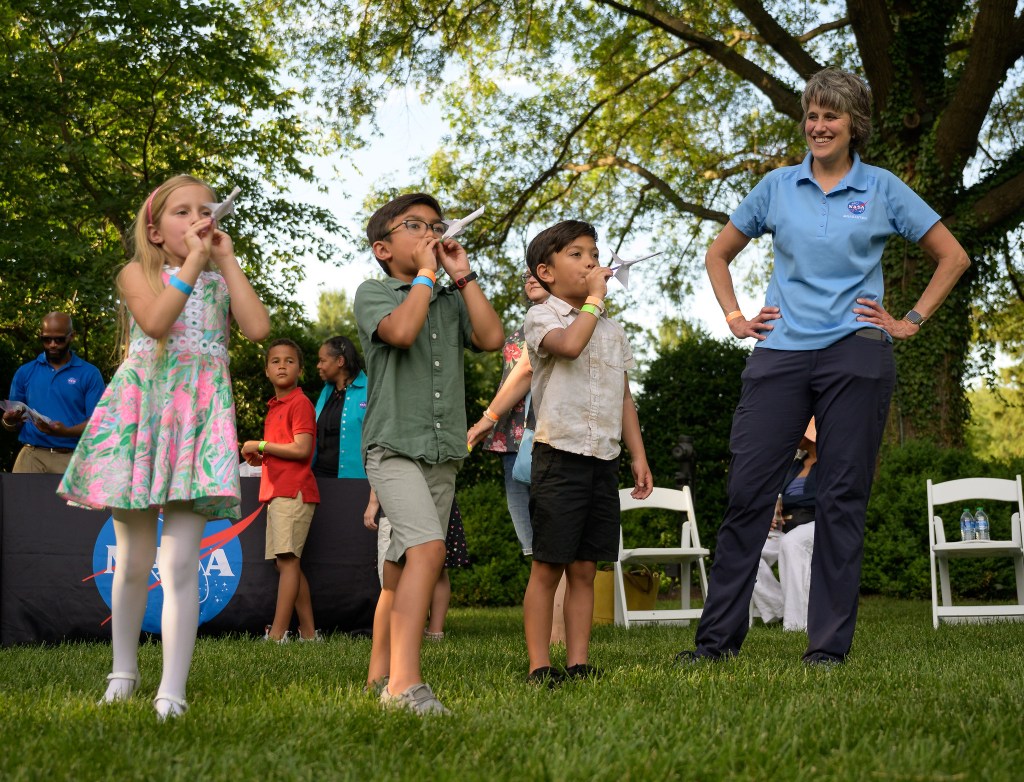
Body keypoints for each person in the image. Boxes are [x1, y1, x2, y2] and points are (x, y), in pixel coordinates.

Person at [678, 67, 970, 667]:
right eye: (811, 115)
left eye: (830, 115)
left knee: (841, 498)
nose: (818, 125)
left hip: (857, 353)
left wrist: (909, 319)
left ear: (853, 124)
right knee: (748, 492)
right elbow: (719, 252)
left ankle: (827, 649)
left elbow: (952, 255)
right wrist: (734, 315)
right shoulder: (777, 187)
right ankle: (715, 645)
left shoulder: (882, 188)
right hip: (780, 350)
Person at [57, 175, 270, 718]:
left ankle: (171, 690)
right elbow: (154, 323)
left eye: (206, 209)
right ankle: (122, 674)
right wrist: (195, 264)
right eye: (182, 212)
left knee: (179, 565)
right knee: (131, 561)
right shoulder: (137, 272)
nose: (198, 218)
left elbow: (257, 328)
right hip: (144, 419)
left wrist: (225, 261)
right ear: (154, 230)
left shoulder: (220, 278)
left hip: (197, 423)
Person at [354, 192, 503, 714]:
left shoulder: (448, 297)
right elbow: (401, 331)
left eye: (436, 226)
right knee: (427, 552)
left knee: (400, 570)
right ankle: (403, 686)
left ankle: (378, 670)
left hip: (441, 450)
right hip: (393, 446)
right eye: (414, 226)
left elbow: (490, 337)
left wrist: (460, 276)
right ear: (382, 247)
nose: (430, 233)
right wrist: (424, 276)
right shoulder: (375, 292)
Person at [521, 220, 653, 685]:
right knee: (549, 564)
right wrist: (595, 299)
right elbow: (571, 347)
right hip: (559, 454)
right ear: (547, 271)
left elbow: (623, 397)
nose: (591, 262)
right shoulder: (543, 317)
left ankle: (578, 663)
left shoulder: (613, 331)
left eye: (593, 253)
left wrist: (637, 455)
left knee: (584, 567)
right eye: (577, 254)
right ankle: (540, 665)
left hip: (603, 456)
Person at [241, 338, 321, 643]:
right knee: (283, 563)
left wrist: (260, 445)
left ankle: (277, 634)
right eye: (275, 361)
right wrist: (263, 456)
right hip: (278, 491)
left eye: (289, 360)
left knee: (288, 562)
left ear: (300, 369)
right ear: (266, 371)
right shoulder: (274, 407)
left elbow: (302, 450)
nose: (282, 365)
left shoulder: (300, 403)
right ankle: (309, 634)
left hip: (294, 492)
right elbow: (285, 449)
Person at [467, 270, 549, 555]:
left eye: (540, 271)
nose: (531, 278)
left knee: (555, 536)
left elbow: (526, 371)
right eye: (526, 274)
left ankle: (557, 597)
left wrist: (484, 421)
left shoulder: (567, 320)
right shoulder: (527, 324)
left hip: (547, 433)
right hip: (512, 432)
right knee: (530, 539)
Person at [2, 312, 104, 474]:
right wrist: (9, 421)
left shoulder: (89, 374)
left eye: (59, 339)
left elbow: (98, 423)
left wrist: (66, 432)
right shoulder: (25, 372)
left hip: (72, 457)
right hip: (31, 456)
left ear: (72, 336)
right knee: (22, 500)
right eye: (46, 339)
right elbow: (14, 424)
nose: (52, 344)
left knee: (69, 501)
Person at [751, 419, 818, 632]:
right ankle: (780, 606)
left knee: (792, 543)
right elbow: (774, 494)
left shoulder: (830, 463)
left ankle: (797, 624)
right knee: (748, 550)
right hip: (785, 527)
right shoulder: (796, 464)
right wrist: (770, 508)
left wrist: (784, 501)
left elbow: (823, 498)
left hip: (817, 525)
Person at [313, 335, 379, 527]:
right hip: (320, 481)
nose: (318, 365)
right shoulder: (326, 391)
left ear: (340, 361)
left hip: (358, 484)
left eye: (323, 360)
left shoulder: (370, 389)